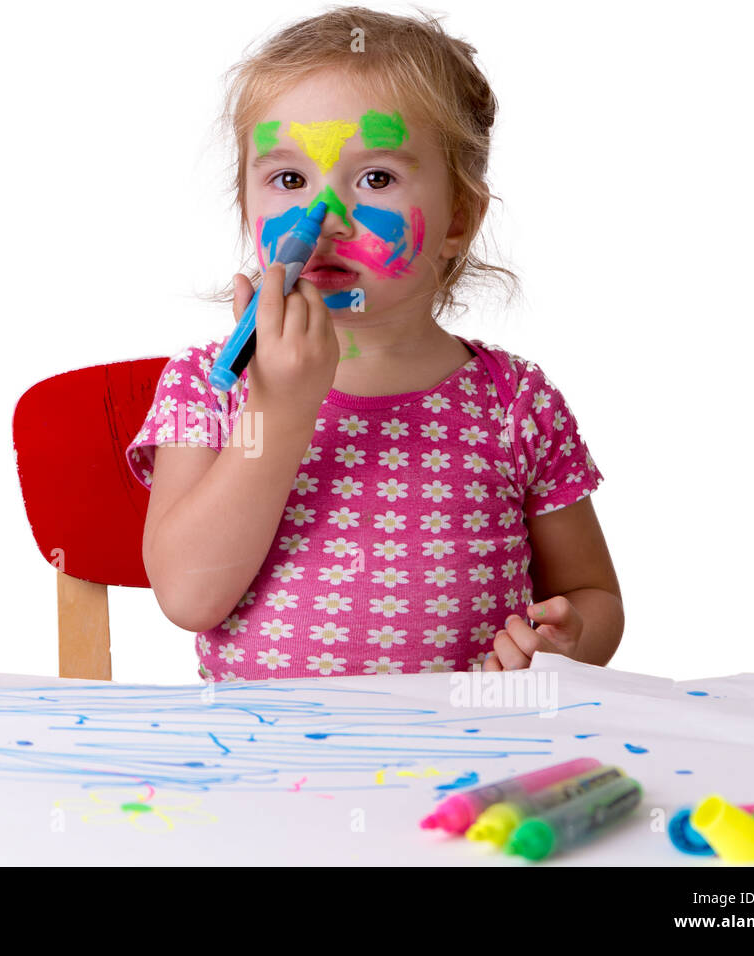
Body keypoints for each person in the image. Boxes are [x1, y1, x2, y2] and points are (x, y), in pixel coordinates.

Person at [126, 6, 623, 681]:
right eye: (290, 180)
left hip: (471, 755)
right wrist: (277, 410)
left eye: (377, 179)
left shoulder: (515, 401)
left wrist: (567, 647)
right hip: (259, 761)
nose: (323, 219)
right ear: (246, 201)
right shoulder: (211, 384)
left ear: (459, 218)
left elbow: (595, 595)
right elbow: (189, 597)